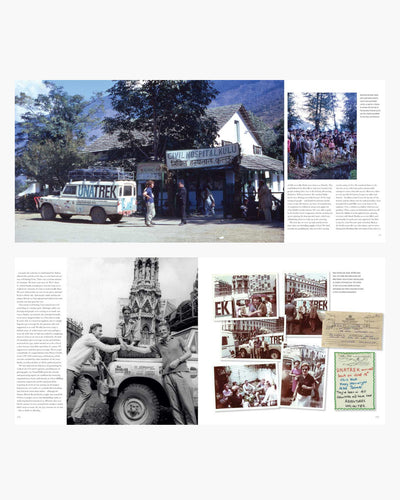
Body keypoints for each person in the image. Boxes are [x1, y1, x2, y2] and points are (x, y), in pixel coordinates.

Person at [128, 321, 196, 425]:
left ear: (168, 331)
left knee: (187, 404)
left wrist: (178, 360)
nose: (162, 332)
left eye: (164, 330)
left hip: (181, 372)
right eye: (160, 331)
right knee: (174, 406)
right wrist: (131, 347)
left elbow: (188, 353)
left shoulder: (178, 339)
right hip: (167, 376)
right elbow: (146, 350)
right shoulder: (158, 345)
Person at [67, 323, 121, 424]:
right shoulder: (89, 338)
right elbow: (106, 348)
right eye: (99, 331)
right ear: (93, 331)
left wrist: (95, 359)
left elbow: (94, 359)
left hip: (77, 371)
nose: (101, 332)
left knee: (87, 392)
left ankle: (73, 417)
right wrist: (120, 346)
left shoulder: (92, 343)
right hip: (69, 368)